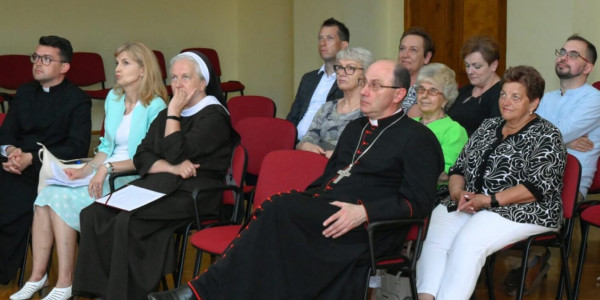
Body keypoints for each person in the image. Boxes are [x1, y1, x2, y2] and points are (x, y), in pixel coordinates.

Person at [148, 60, 444, 300]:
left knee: (277, 207)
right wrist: (309, 201)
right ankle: (203, 293)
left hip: (369, 228)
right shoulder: (355, 128)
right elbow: (329, 178)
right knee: (277, 221)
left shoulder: (419, 140)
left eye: (375, 86)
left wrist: (364, 211)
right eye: (365, 82)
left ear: (399, 94)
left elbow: (416, 202)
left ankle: (200, 293)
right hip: (329, 214)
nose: (364, 91)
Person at [72, 51, 238, 299]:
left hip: (195, 194)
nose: (178, 84)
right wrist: (171, 168)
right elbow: (142, 156)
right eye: (174, 77)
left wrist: (173, 112)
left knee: (127, 220)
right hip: (160, 184)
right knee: (94, 213)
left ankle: (123, 294)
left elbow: (177, 150)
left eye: (185, 77)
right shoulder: (169, 112)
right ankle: (97, 290)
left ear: (203, 82)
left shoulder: (214, 116)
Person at [9, 42, 168, 300]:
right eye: (117, 63)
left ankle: (65, 282)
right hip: (104, 171)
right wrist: (83, 171)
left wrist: (103, 170)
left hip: (130, 177)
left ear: (142, 70)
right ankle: (37, 277)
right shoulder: (115, 99)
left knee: (60, 199)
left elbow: (146, 158)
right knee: (46, 194)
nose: (117, 68)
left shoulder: (156, 106)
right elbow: (105, 147)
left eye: (125, 63)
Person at [415, 65, 567, 300]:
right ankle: (426, 297)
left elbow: (536, 187)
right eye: (504, 94)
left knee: (468, 243)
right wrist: (457, 193)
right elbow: (459, 168)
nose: (506, 101)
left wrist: (489, 200)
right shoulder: (488, 126)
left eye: (516, 97)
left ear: (533, 103)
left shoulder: (547, 135)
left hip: (524, 210)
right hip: (473, 202)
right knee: (437, 231)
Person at [503, 34, 600, 295]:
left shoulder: (594, 99)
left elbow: (542, 136)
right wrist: (565, 142)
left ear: (588, 67)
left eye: (573, 54)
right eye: (562, 51)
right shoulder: (546, 98)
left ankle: (529, 260)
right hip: (529, 178)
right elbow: (518, 137)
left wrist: (556, 139)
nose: (564, 57)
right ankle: (529, 259)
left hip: (565, 185)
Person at [0, 35, 91, 285]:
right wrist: (10, 152)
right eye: (36, 57)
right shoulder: (25, 91)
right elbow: (7, 131)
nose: (38, 63)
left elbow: (77, 146)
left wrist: (33, 158)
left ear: (64, 67)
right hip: (14, 163)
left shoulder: (78, 99)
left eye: (46, 59)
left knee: (11, 200)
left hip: (49, 170)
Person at [297, 47, 372, 158]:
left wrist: (338, 156)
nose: (342, 73)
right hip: (316, 164)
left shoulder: (370, 111)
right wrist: (305, 145)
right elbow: (306, 140)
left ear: (365, 75)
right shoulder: (327, 107)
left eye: (350, 68)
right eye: (339, 67)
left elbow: (369, 152)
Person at [286, 17, 349, 140]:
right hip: (295, 144)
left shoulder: (347, 80)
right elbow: (292, 117)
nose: (322, 43)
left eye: (329, 38)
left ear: (344, 45)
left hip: (323, 146)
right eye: (320, 38)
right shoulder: (308, 79)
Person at [413, 63, 468, 187]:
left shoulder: (454, 130)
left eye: (433, 91)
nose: (424, 95)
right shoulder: (409, 123)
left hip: (430, 195)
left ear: (446, 99)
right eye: (421, 89)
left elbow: (445, 175)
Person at [447, 35, 502, 136]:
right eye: (467, 65)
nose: (469, 71)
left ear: (494, 65)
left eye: (477, 66)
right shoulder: (464, 91)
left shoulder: (501, 94)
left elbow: (493, 134)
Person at [397, 26, 434, 118]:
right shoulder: (388, 83)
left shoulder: (430, 92)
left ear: (427, 57)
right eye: (402, 48)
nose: (405, 55)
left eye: (413, 50)